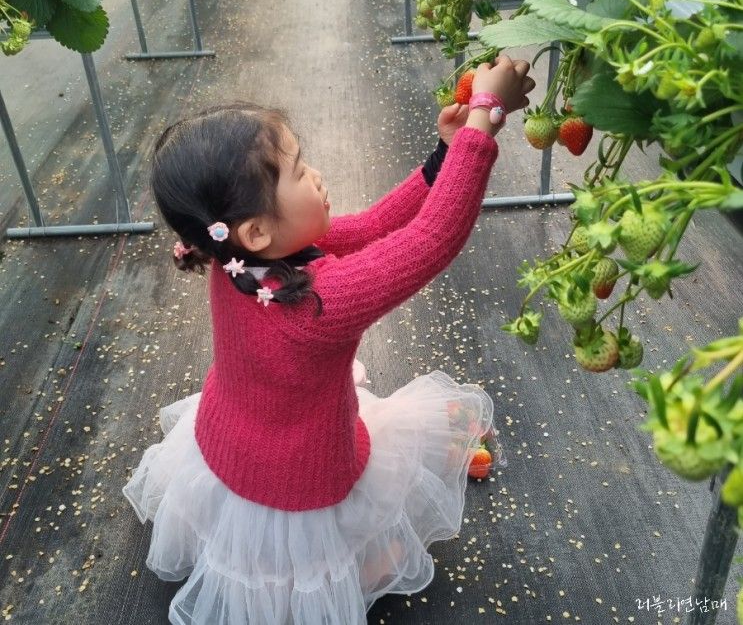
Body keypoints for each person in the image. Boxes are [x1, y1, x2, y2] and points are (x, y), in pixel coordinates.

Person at [123, 56, 535, 625]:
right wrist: (483, 122)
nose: (315, 176)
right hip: (304, 467)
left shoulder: (236, 259)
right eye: (298, 171)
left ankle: (291, 562)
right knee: (308, 547)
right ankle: (347, 569)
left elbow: (370, 227)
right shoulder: (317, 304)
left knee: (254, 535)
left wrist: (443, 156)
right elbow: (430, 240)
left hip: (231, 434)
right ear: (258, 230)